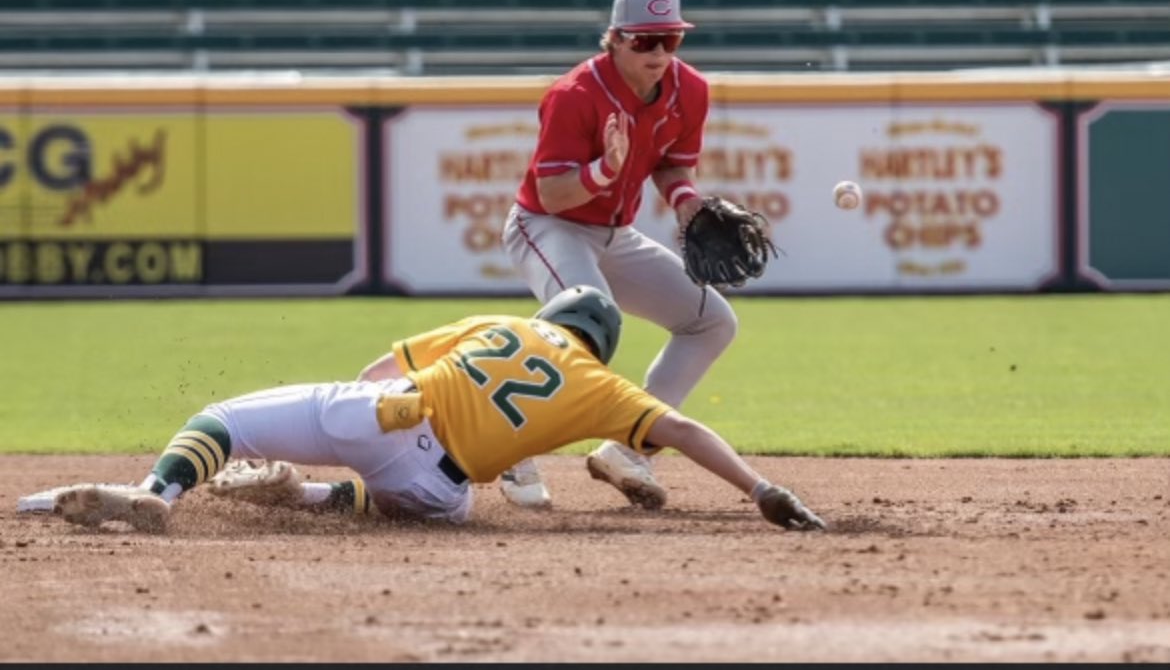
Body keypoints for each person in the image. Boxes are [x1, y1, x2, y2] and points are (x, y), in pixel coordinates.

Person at [37, 286, 825, 534]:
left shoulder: (506, 324)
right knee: (437, 505)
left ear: (552, 313)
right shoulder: (601, 387)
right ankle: (309, 496)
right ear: (602, 343)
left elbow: (384, 369)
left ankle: (158, 494)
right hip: (438, 486)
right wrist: (761, 491)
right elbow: (682, 429)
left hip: (384, 414)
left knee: (223, 420)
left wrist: (338, 424)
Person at [500, 0, 736, 510]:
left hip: (615, 234)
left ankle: (629, 450)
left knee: (711, 321)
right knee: (584, 331)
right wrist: (605, 169)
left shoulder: (690, 89)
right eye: (644, 40)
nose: (658, 52)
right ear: (615, 38)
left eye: (670, 39)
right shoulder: (573, 96)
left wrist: (685, 202)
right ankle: (509, 453)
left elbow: (675, 164)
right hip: (546, 227)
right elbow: (553, 195)